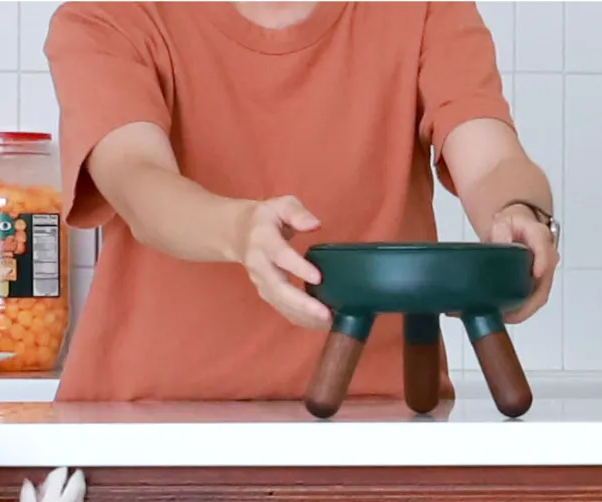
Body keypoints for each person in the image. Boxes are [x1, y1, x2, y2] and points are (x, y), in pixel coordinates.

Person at [44, 1, 560, 403]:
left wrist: (520, 212)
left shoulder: (422, 9)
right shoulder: (110, 14)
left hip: (378, 423)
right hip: (142, 427)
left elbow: (490, 159)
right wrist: (238, 229)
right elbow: (137, 178)